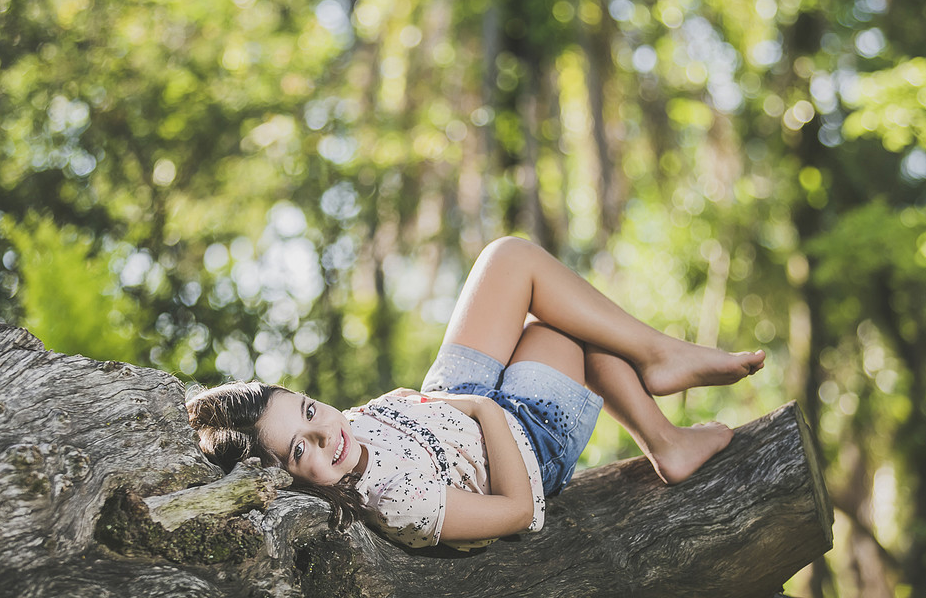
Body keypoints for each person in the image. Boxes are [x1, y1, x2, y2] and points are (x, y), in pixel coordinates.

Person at [187, 236, 765, 550]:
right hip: (522, 437)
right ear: (283, 479)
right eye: (299, 450)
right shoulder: (397, 503)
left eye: (311, 412)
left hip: (450, 402)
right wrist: (485, 410)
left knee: (509, 257)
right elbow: (518, 513)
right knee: (569, 327)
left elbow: (391, 424)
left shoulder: (341, 434)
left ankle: (663, 378)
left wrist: (413, 404)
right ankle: (664, 418)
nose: (325, 435)